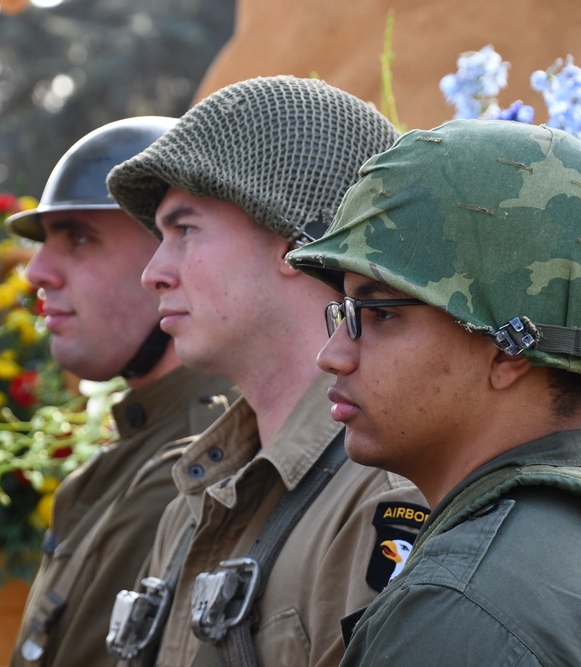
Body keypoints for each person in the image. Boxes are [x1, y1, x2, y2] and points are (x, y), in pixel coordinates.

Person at [287, 118, 581, 665]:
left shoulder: (462, 611)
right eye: (342, 313)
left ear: (508, 349)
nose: (332, 355)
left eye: (377, 314)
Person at [104, 75, 428, 666]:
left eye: (185, 230)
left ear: (291, 245)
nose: (154, 271)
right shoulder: (196, 500)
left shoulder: (386, 500)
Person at [7, 117, 238, 667]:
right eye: (46, 241)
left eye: (79, 239)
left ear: (169, 257)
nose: (37, 271)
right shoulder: (145, 445)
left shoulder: (191, 464)